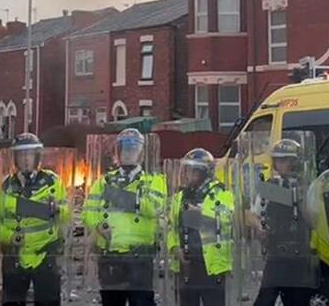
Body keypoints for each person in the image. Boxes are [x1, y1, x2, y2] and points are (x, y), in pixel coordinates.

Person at [83, 128, 166, 306]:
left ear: (141, 154)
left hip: (140, 256)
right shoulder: (104, 181)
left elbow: (153, 208)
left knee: (141, 302)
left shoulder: (154, 180)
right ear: (118, 153)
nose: (129, 154)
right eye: (125, 150)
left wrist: (120, 196)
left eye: (133, 150)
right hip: (109, 255)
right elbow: (88, 210)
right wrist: (98, 224)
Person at [0, 132, 70, 306]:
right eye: (21, 155)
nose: (26, 160)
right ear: (15, 159)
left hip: (45, 255)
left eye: (29, 155)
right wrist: (10, 237)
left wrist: (57, 209)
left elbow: (67, 214)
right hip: (15, 256)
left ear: (37, 157)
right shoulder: (6, 186)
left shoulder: (52, 182)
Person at [250, 138, 317, 306]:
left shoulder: (308, 186)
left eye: (284, 160)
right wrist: (259, 227)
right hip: (276, 253)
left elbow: (314, 219)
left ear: (295, 162)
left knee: (297, 301)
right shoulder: (271, 186)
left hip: (300, 255)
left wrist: (298, 197)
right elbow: (252, 214)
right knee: (265, 300)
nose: (280, 164)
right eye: (277, 160)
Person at [167, 148, 233, 306]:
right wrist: (175, 247)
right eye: (186, 169)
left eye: (191, 170)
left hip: (211, 266)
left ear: (203, 172)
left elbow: (227, 219)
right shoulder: (180, 196)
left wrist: (201, 213)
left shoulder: (220, 192)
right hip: (186, 265)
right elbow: (172, 227)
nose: (187, 174)